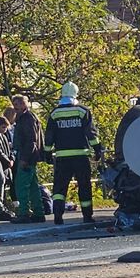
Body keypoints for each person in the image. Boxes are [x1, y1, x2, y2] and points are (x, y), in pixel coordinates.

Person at [44, 81, 103, 225]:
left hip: (62, 157)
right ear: (76, 94)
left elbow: (49, 136)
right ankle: (87, 217)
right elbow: (91, 134)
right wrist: (97, 149)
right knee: (84, 186)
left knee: (59, 188)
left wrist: (47, 153)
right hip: (81, 156)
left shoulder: (55, 113)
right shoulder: (82, 111)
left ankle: (58, 216)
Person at [10, 94, 46, 223]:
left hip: (26, 155)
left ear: (24, 104)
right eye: (15, 105)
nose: (16, 107)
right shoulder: (28, 117)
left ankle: (24, 212)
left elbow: (31, 140)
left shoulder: (26, 118)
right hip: (31, 155)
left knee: (21, 185)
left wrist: (24, 158)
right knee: (32, 186)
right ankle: (38, 212)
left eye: (18, 104)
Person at [0, 116, 15, 206]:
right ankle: (0, 204)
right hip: (2, 164)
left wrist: (12, 159)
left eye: (6, 127)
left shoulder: (4, 136)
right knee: (0, 183)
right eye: (3, 127)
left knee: (4, 184)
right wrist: (7, 161)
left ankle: (3, 203)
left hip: (7, 165)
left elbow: (10, 150)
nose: (5, 129)